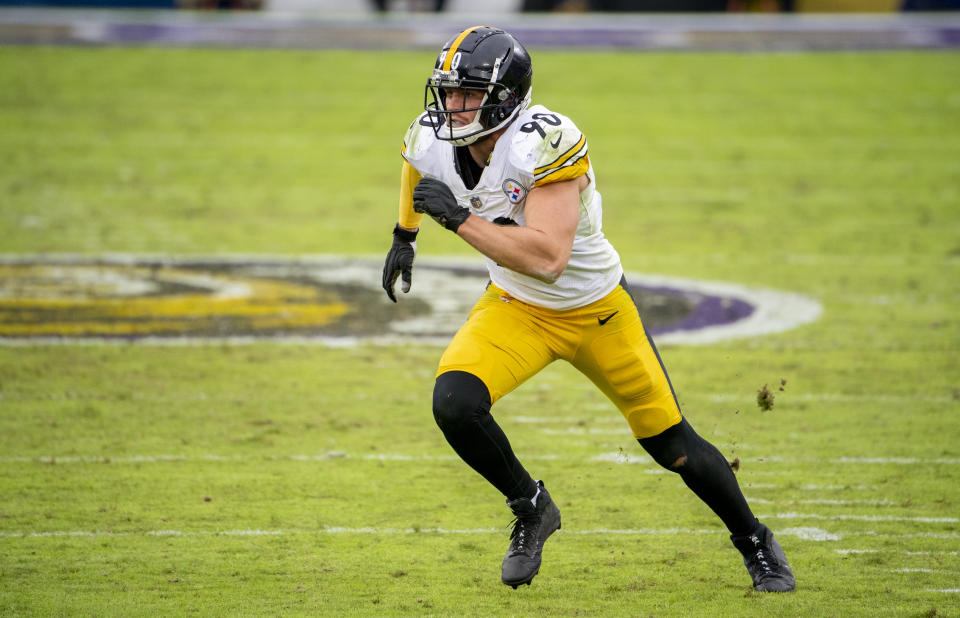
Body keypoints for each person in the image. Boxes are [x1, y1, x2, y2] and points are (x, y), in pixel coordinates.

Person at [381, 25, 795, 593]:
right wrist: (405, 233)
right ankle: (531, 507)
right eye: (448, 93)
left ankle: (754, 541)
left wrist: (458, 219)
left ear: (505, 98)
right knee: (454, 402)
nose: (451, 107)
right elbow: (416, 162)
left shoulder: (543, 142)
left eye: (466, 94)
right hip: (515, 308)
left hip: (594, 310)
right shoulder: (435, 136)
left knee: (673, 446)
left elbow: (549, 258)